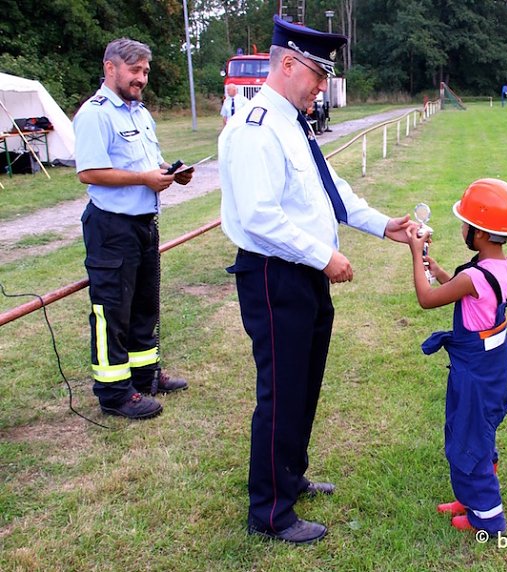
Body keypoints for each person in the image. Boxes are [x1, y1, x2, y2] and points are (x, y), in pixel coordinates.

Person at [218, 17, 418, 545]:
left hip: (302, 273)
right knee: (281, 392)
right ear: (288, 64)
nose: (322, 86)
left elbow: (327, 192)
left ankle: (290, 475)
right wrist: (324, 256)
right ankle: (270, 512)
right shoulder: (256, 127)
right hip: (274, 274)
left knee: (303, 384)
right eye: (318, 74)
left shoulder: (294, 122)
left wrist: (382, 225)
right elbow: (260, 218)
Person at [73, 38, 193, 420]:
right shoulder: (95, 114)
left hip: (143, 224)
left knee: (144, 305)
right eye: (135, 70)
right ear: (111, 68)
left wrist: (172, 174)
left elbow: (150, 165)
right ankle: (114, 394)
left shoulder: (139, 113)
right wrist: (143, 178)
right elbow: (89, 172)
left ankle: (145, 377)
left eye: (145, 71)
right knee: (113, 310)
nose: (141, 78)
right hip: (112, 227)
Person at [405, 178, 507, 534]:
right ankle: (470, 498)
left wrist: (416, 256)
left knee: (469, 438)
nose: (462, 228)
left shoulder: (474, 276)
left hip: (474, 373)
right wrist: (434, 265)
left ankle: (487, 518)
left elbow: (427, 299)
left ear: (482, 234)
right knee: (478, 433)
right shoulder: (502, 267)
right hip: (493, 369)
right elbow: (460, 285)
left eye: (466, 224)